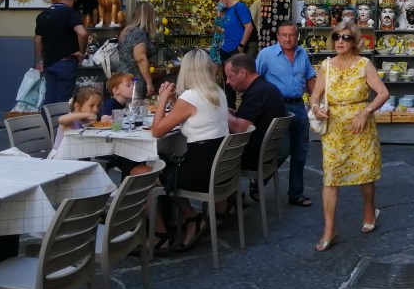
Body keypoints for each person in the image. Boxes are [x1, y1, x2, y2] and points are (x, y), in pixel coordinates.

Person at [307, 21, 389, 252]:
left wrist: (366, 111)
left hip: (359, 126)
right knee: (331, 177)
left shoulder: (364, 64)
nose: (340, 41)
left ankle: (369, 209)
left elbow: (383, 93)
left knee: (365, 172)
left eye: (346, 37)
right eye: (336, 36)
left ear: (355, 41)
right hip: (334, 130)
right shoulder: (326, 66)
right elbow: (314, 95)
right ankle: (329, 230)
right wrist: (315, 108)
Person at [151, 48, 231, 253]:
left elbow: (157, 132)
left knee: (148, 174)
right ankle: (189, 219)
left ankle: (175, 225)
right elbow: (190, 113)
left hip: (199, 172)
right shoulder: (217, 92)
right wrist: (172, 102)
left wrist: (161, 100)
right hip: (217, 168)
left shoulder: (190, 96)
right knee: (163, 163)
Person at [256, 21, 317, 207]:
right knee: (282, 149)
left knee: (301, 151)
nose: (288, 38)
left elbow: (309, 78)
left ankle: (296, 194)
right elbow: (255, 81)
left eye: (291, 35)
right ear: (278, 36)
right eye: (284, 35)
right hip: (277, 108)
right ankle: (258, 182)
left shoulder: (302, 53)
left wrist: (315, 103)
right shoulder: (265, 55)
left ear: (297, 36)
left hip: (298, 106)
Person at [224, 53, 288, 195]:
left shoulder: (258, 92)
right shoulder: (265, 88)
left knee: (210, 155)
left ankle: (226, 203)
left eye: (229, 76)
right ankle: (231, 200)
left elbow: (240, 129)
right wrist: (232, 113)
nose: (228, 82)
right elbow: (251, 117)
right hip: (266, 155)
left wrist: (221, 111)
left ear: (242, 73)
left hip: (254, 157)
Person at [34, 0, 88, 107]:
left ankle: (48, 125)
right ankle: (60, 125)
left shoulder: (43, 14)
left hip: (49, 62)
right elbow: (83, 33)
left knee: (49, 99)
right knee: (63, 100)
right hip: (66, 63)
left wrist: (40, 60)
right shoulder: (71, 14)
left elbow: (37, 40)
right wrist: (81, 52)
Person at [99, 72, 155, 177]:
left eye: (133, 85)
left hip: (119, 139)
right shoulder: (110, 103)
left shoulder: (124, 103)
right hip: (107, 143)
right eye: (128, 85)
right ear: (116, 91)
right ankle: (128, 182)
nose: (133, 88)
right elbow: (104, 120)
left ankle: (132, 179)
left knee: (136, 153)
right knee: (130, 157)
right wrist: (126, 110)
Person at [214, 0, 255, 108]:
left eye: (218, 0)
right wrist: (219, 13)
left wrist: (241, 45)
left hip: (236, 49)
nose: (217, 3)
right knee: (229, 82)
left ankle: (245, 108)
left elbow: (249, 26)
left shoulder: (240, 7)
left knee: (242, 78)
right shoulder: (225, 10)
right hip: (225, 48)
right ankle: (230, 109)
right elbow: (219, 27)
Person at [117, 1, 156, 95]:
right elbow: (140, 59)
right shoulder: (138, 33)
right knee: (134, 107)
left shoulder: (126, 30)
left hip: (122, 77)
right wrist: (149, 82)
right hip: (133, 80)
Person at [48, 87, 102, 156]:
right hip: (59, 157)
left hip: (77, 156)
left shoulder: (88, 120)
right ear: (77, 106)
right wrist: (86, 114)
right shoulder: (71, 120)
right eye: (91, 105)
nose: (95, 109)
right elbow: (61, 120)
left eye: (98, 106)